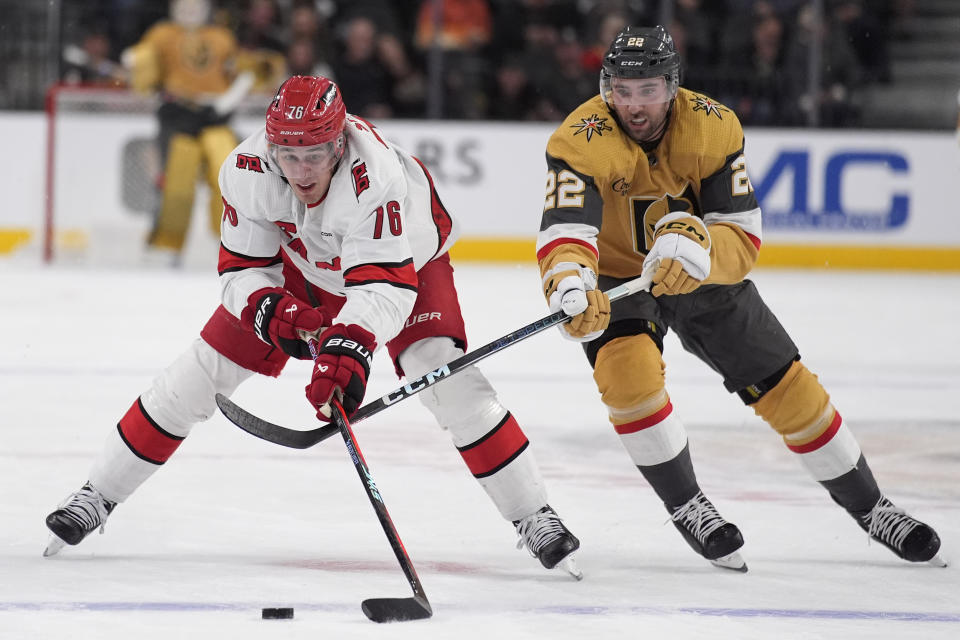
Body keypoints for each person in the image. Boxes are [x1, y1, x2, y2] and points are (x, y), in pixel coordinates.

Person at [43, 75, 581, 579]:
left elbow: (382, 289)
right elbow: (241, 270)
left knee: (444, 377)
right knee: (201, 369)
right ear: (272, 148)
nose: (301, 170)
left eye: (315, 155)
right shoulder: (247, 169)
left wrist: (347, 350)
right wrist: (269, 310)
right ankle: (97, 495)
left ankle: (533, 515)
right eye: (289, 155)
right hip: (306, 266)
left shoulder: (377, 177)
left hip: (405, 268)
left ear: (339, 146)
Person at [535, 25, 945, 571]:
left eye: (649, 89)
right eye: (623, 90)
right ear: (607, 87)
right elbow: (565, 234)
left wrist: (699, 247)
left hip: (698, 270)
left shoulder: (712, 125)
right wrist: (571, 282)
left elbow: (742, 234)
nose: (634, 105)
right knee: (627, 380)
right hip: (617, 278)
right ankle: (687, 505)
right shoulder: (579, 138)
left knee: (785, 382)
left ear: (673, 87)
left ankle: (873, 508)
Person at [122, 0, 253, 264]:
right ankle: (167, 248)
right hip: (177, 115)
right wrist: (136, 61)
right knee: (177, 185)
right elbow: (143, 65)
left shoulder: (221, 37)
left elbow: (242, 74)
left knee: (225, 180)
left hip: (214, 116)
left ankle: (230, 245)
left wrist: (227, 101)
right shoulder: (162, 34)